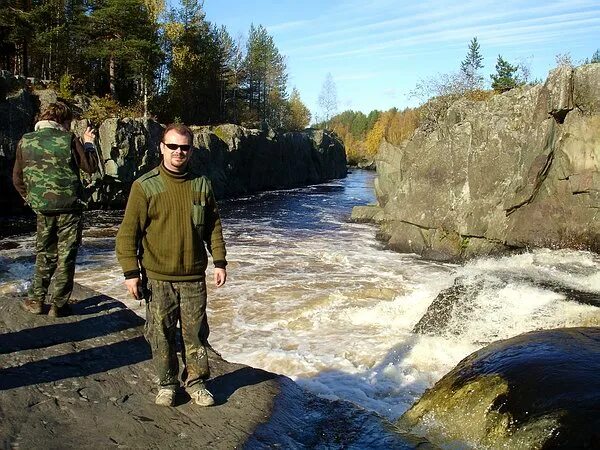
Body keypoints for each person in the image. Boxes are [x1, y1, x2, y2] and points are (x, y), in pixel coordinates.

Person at [115, 123, 227, 407]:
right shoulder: (144, 186)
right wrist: (131, 273)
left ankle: (197, 383)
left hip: (193, 277)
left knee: (196, 334)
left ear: (191, 150)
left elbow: (213, 226)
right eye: (173, 146)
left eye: (185, 147)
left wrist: (219, 261)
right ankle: (167, 384)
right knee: (160, 333)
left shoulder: (201, 183)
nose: (179, 152)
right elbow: (128, 233)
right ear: (162, 147)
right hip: (157, 278)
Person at [13, 101, 98, 317]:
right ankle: (59, 305)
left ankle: (35, 300)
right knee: (66, 254)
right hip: (70, 207)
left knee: (45, 253)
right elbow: (89, 166)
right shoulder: (68, 139)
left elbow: (17, 179)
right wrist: (88, 143)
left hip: (42, 207)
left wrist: (31, 200)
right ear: (63, 120)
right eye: (69, 122)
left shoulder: (25, 141)